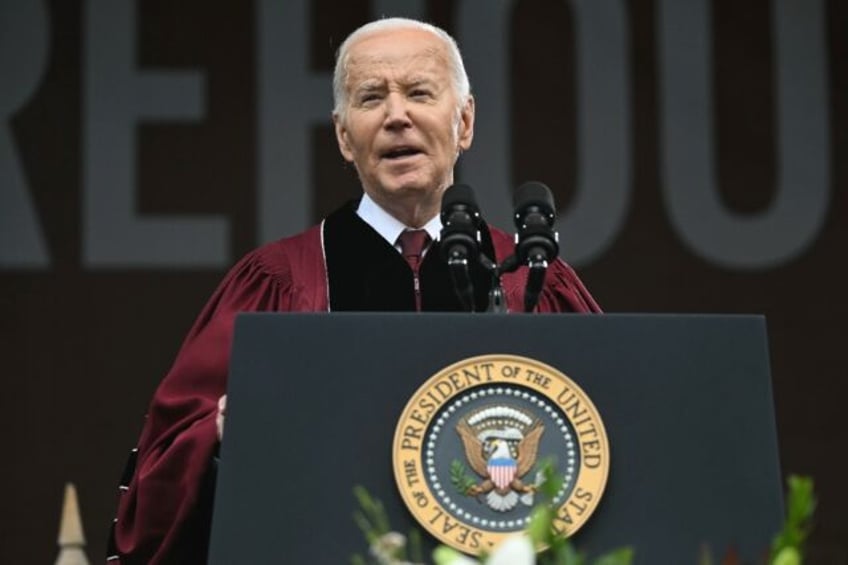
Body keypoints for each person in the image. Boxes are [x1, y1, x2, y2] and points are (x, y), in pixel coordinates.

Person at [108, 17, 601, 564]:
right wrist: (222, 433)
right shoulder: (276, 283)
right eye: (371, 98)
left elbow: (612, 434)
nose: (396, 116)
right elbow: (165, 471)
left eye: (419, 92)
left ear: (464, 121)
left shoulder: (532, 279)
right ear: (344, 136)